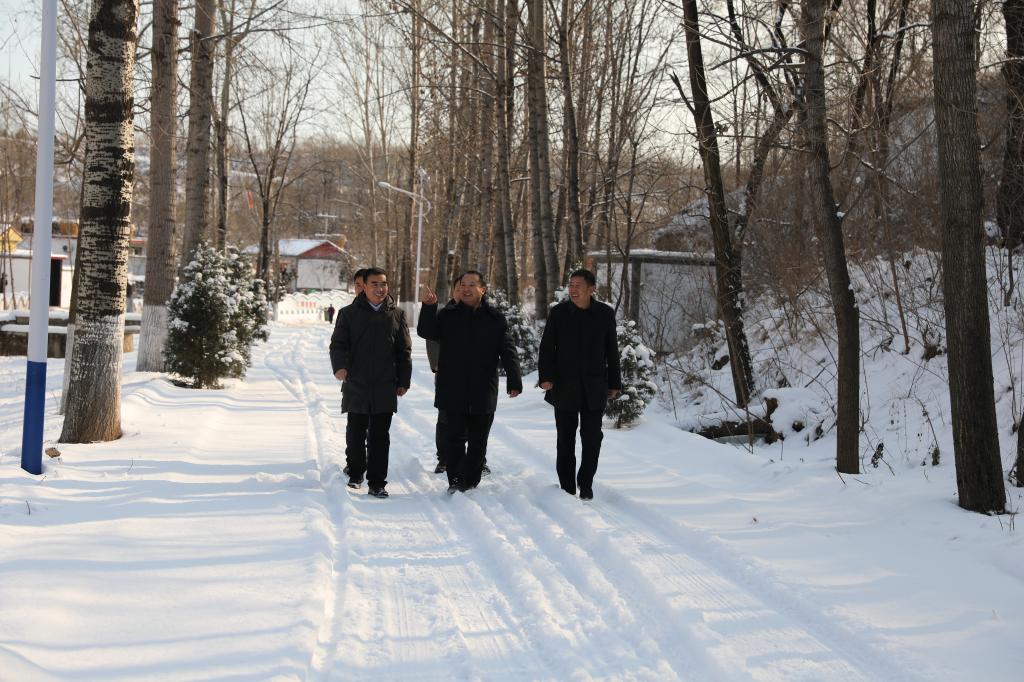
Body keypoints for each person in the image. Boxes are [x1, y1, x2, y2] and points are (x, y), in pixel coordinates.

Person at [418, 270, 522, 493]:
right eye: (463, 285)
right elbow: (426, 331)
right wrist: (428, 307)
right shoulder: (448, 315)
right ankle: (455, 481)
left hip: (483, 389)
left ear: (482, 289)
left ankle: (471, 480)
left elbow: (508, 350)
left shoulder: (495, 318)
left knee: (478, 441)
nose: (466, 288)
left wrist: (514, 380)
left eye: (471, 285)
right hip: (452, 387)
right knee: (454, 439)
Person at [538, 268, 621, 500]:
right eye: (571, 285)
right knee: (565, 439)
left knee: (592, 439)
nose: (573, 290)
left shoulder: (605, 314)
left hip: (594, 387)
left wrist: (614, 382)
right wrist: (545, 377)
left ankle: (586, 484)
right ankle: (567, 488)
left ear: (591, 289)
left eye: (578, 286)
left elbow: (612, 350)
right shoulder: (559, 313)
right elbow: (547, 347)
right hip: (564, 386)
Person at [330, 267, 411, 498]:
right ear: (363, 287)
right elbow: (338, 344)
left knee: (379, 436)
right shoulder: (348, 314)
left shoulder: (397, 315)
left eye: (383, 284)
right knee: (356, 432)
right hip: (356, 382)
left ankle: (377, 482)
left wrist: (403, 380)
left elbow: (404, 350)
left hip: (385, 383)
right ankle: (356, 473)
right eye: (374, 284)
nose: (380, 288)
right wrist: (340, 367)